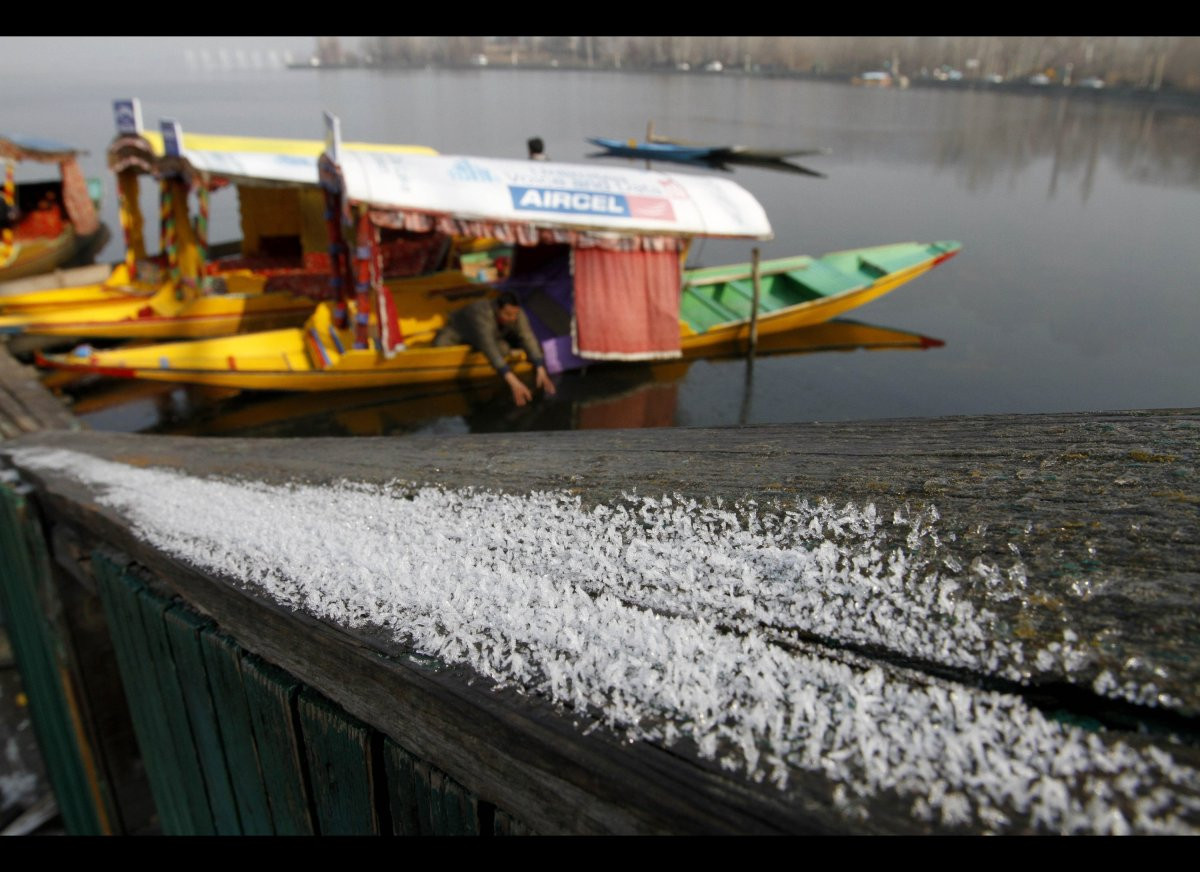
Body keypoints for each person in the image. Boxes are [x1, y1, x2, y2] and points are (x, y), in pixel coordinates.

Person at [433, 292, 557, 407]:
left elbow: (527, 336)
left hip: (494, 335)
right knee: (439, 345)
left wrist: (540, 366)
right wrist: (513, 381)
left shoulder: (516, 313)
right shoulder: (480, 312)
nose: (513, 318)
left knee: (504, 349)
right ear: (498, 309)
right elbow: (488, 345)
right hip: (461, 332)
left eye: (515, 314)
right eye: (508, 314)